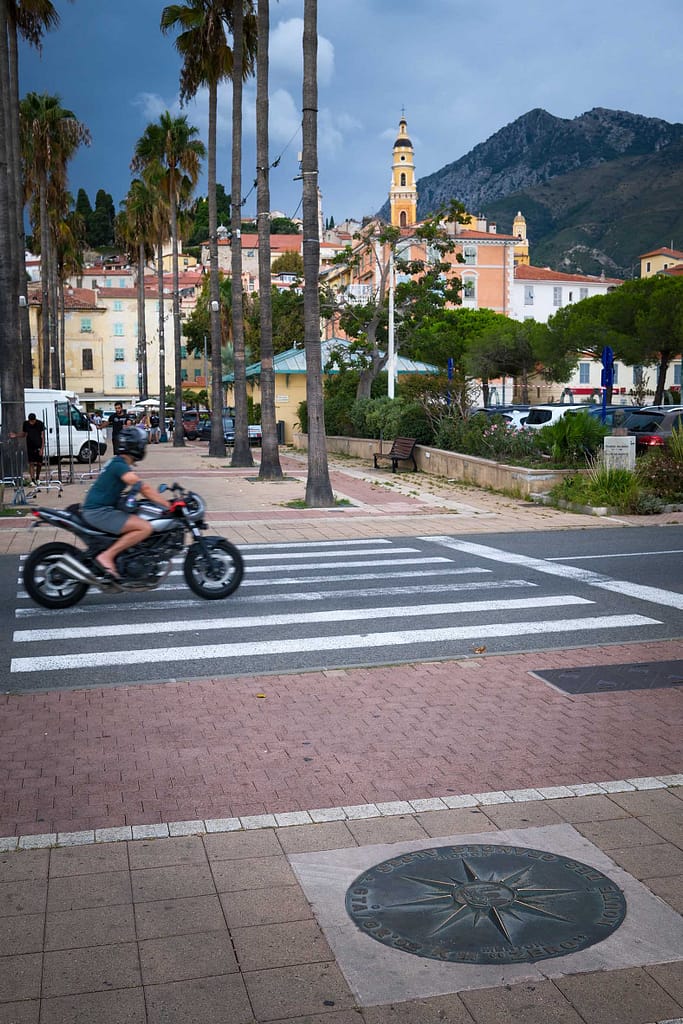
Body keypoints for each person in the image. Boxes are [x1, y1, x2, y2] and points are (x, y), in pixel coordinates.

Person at [80, 426, 171, 579]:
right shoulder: (119, 465)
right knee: (144, 527)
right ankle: (107, 556)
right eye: (142, 444)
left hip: (101, 508)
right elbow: (144, 487)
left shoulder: (118, 462)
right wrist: (168, 505)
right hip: (99, 511)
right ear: (135, 446)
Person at [10, 413, 45, 485]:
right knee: (31, 463)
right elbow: (24, 434)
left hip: (38, 445)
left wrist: (42, 448)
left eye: (33, 421)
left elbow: (42, 436)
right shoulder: (26, 424)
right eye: (30, 421)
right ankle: (32, 479)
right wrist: (16, 435)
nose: (31, 423)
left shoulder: (40, 424)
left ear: (35, 420)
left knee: (39, 463)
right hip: (30, 446)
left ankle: (37, 477)